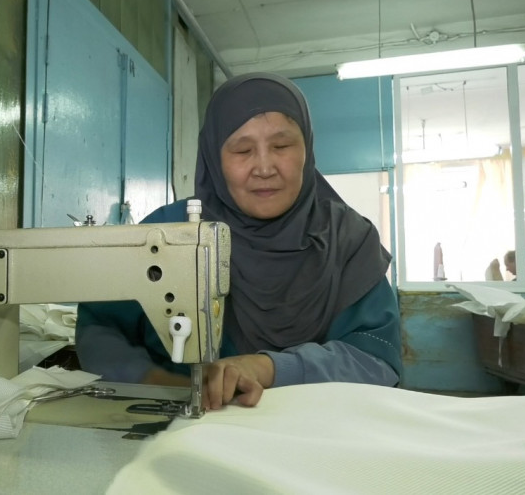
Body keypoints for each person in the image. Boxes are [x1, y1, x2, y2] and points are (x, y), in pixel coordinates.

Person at [75, 73, 402, 410]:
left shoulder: (349, 241)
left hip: (314, 432)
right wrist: (155, 383)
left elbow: (375, 358)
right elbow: (100, 328)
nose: (264, 167)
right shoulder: (165, 234)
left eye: (282, 146)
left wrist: (269, 368)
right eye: (242, 150)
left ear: (307, 148)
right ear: (215, 160)